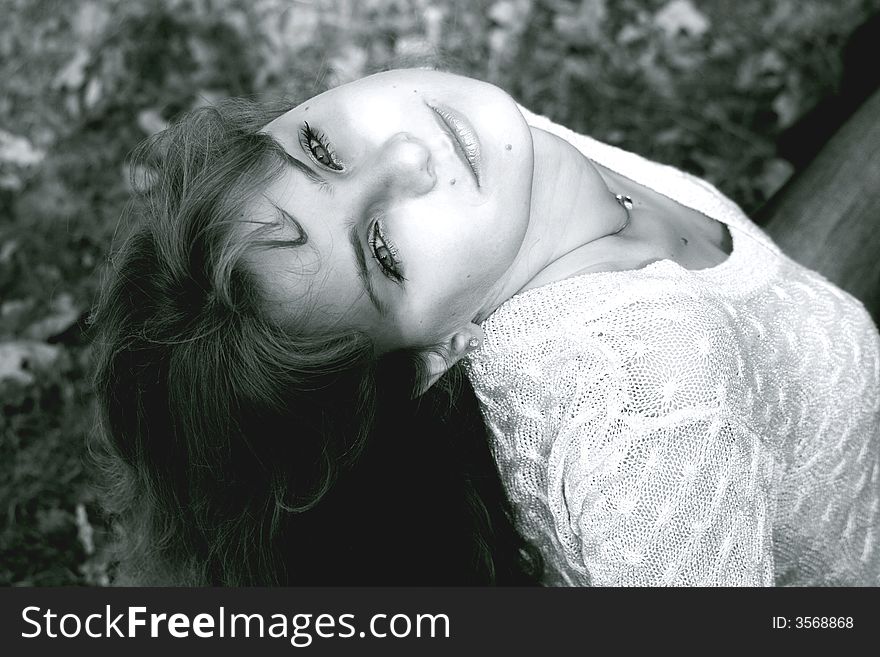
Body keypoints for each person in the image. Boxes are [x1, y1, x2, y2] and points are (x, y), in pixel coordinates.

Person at [90, 67, 880, 586]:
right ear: (436, 356)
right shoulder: (658, 402)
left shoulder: (493, 161)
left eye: (321, 148)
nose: (407, 153)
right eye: (382, 249)